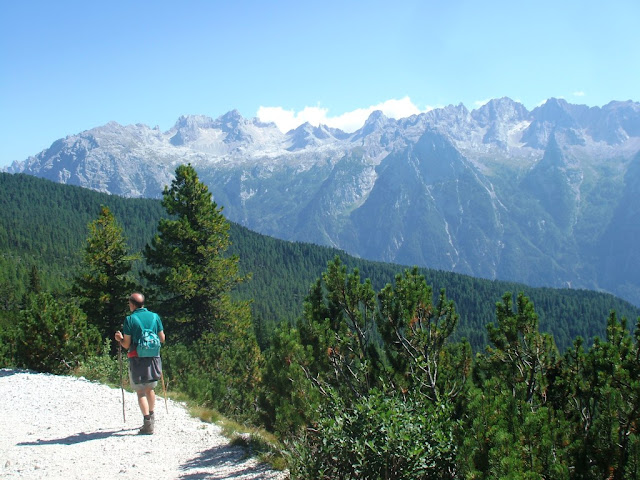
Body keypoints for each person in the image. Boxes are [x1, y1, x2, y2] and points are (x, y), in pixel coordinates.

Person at [114, 292, 165, 435]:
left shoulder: (130, 320)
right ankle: (152, 415)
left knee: (140, 391)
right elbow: (162, 338)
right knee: (150, 388)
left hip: (137, 358)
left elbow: (126, 344)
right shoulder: (155, 317)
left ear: (132, 304)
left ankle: (147, 423)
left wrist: (119, 338)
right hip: (154, 357)